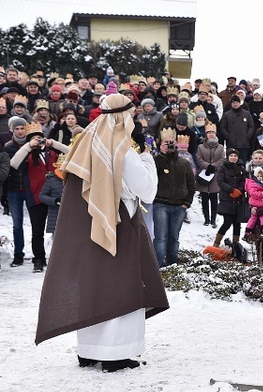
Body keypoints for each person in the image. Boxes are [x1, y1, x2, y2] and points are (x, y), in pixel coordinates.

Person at [35, 93, 168, 372]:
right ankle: (115, 354)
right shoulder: (123, 150)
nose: (133, 120)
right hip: (118, 226)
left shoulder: (85, 142)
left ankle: (89, 351)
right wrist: (148, 160)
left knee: (94, 286)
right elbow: (147, 191)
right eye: (131, 115)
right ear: (122, 116)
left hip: (87, 227)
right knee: (121, 286)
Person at [7, 120, 70, 272]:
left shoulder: (53, 152)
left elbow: (71, 152)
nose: (38, 140)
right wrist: (29, 146)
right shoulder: (27, 155)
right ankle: (39, 258)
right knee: (37, 230)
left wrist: (53, 143)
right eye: (33, 138)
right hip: (35, 196)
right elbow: (13, 163)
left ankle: (60, 258)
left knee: (60, 230)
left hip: (56, 196)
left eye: (39, 137)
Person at [152, 127, 196, 267]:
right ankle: (157, 266)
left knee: (174, 237)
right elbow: (150, 178)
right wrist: (161, 154)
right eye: (166, 143)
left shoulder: (185, 163)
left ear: (176, 144)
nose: (169, 145)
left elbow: (191, 184)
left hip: (179, 206)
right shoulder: (155, 161)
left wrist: (187, 202)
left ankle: (172, 265)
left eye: (171, 142)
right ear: (160, 145)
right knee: (160, 237)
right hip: (161, 204)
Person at [211, 148, 248, 248]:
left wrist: (239, 190)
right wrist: (231, 190)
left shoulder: (242, 169)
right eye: (231, 156)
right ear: (228, 157)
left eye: (235, 156)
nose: (233, 157)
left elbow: (245, 181)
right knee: (227, 222)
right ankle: (216, 243)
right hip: (226, 199)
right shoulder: (222, 168)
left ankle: (236, 245)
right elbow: (220, 182)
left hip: (238, 200)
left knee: (237, 224)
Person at [195, 123, 224, 227]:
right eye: (209, 133)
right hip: (204, 174)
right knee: (204, 198)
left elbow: (222, 159)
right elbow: (199, 159)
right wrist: (207, 166)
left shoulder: (220, 147)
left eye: (213, 132)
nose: (211, 134)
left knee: (214, 198)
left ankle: (213, 219)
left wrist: (214, 166)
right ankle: (206, 218)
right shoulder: (201, 147)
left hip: (215, 175)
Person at [243, 166, 263, 239]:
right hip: (256, 203)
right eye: (258, 176)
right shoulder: (252, 183)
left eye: (261, 176)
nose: (260, 177)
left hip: (261, 203)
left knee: (260, 216)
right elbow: (254, 193)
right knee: (258, 216)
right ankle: (248, 230)